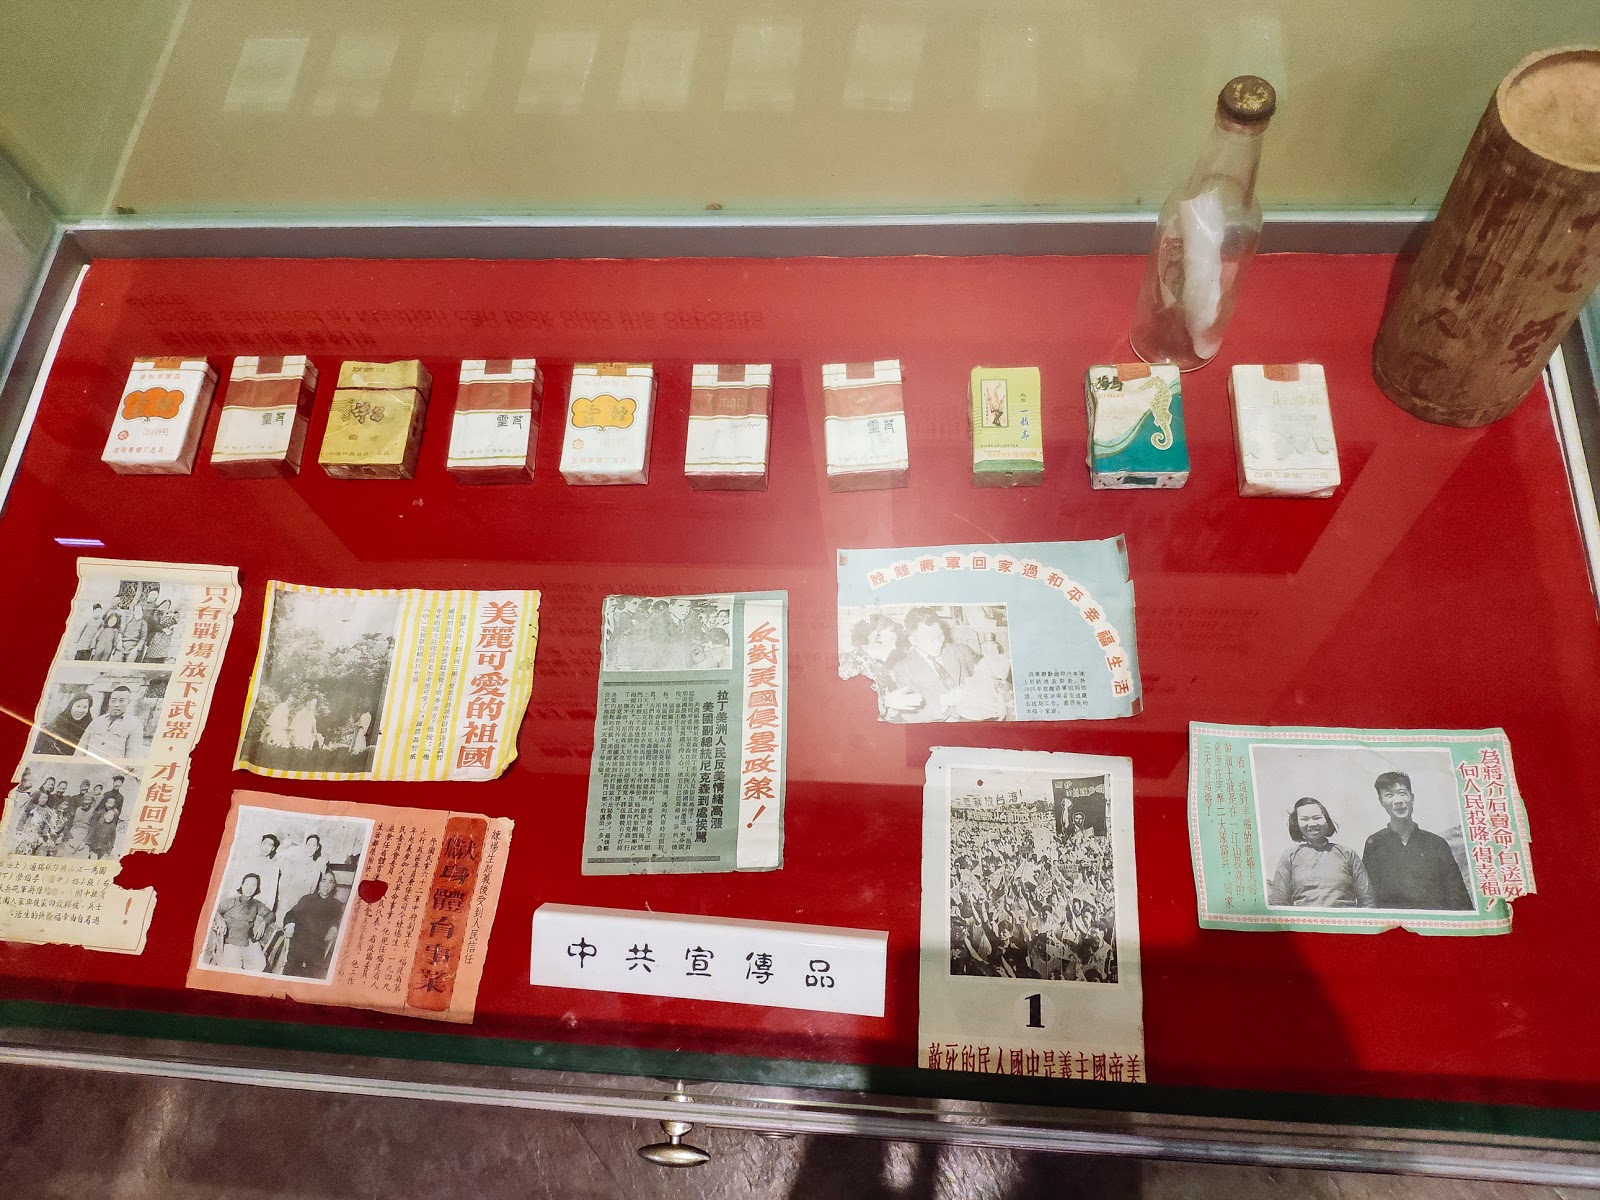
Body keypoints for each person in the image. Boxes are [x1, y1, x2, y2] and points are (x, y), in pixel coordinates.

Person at [1361, 771, 1474, 910]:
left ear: (1412, 798)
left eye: (1402, 793)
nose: (1398, 801)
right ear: (1381, 802)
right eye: (1389, 795)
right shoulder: (1374, 843)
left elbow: (1459, 897)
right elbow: (1369, 898)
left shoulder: (1437, 844)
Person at [1268, 797, 1374, 908]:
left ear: (1326, 820)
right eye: (1304, 819)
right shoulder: (1290, 856)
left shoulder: (1347, 854)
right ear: (1297, 823)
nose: (1311, 824)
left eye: (1317, 818)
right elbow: (1279, 902)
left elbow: (1367, 901)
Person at [889, 608, 979, 722]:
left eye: (940, 636)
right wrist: (944, 701)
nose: (938, 644)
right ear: (913, 640)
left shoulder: (961, 651)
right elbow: (911, 716)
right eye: (930, 640)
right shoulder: (903, 669)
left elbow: (986, 676)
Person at [281, 870, 346, 978]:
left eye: (330, 882)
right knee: (290, 970)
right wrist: (290, 925)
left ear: (333, 886)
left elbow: (338, 921)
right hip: (299, 943)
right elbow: (291, 913)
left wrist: (335, 928)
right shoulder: (307, 899)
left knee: (311, 975)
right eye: (324, 881)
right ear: (319, 883)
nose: (326, 885)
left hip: (317, 947)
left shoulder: (336, 905)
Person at [212, 874, 275, 971]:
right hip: (231, 941)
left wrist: (264, 922)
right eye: (247, 884)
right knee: (233, 968)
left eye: (253, 885)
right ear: (241, 885)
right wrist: (220, 920)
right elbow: (215, 910)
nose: (250, 888)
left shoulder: (256, 904)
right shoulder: (232, 901)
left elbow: (271, 914)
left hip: (248, 941)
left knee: (259, 965)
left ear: (257, 888)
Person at [80, 685, 146, 762]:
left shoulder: (134, 725)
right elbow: (81, 748)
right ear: (109, 701)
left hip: (112, 768)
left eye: (121, 701)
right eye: (113, 700)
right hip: (88, 766)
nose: (116, 704)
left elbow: (132, 756)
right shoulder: (97, 721)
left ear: (128, 702)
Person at [87, 794, 123, 859]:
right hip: (96, 839)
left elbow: (112, 833)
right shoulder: (99, 813)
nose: (110, 805)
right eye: (108, 803)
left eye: (112, 803)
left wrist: (109, 849)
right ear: (105, 803)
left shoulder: (115, 814)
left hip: (105, 843)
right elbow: (92, 827)